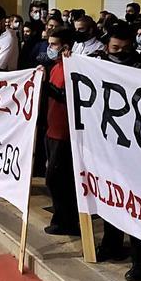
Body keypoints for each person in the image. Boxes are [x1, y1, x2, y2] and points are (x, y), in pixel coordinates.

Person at [92, 23, 141, 281]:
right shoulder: (96, 62)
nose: (120, 53)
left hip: (133, 145)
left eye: (126, 49)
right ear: (107, 46)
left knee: (133, 202)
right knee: (109, 194)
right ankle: (111, 244)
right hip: (106, 141)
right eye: (116, 48)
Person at [42, 27, 80, 236]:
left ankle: (67, 221)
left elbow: (69, 96)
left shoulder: (71, 67)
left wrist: (49, 89)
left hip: (63, 132)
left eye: (54, 44)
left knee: (58, 179)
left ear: (65, 47)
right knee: (55, 179)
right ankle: (60, 218)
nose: (50, 48)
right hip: (52, 127)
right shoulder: (56, 66)